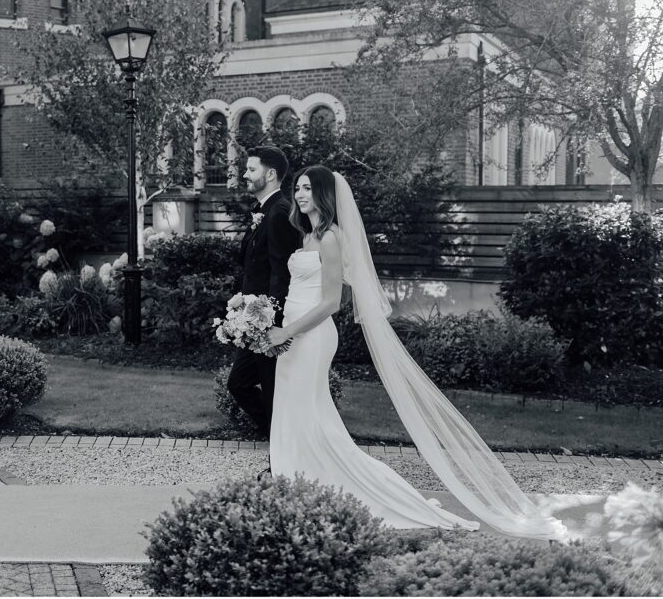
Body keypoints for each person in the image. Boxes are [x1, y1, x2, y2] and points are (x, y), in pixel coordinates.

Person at [266, 165, 565, 540]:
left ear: (324, 194)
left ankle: (343, 485)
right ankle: (299, 481)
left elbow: (329, 303)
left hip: (309, 337)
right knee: (294, 412)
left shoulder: (330, 238)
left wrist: (287, 330)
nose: (300, 194)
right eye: (298, 188)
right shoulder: (308, 237)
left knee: (311, 414)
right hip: (291, 336)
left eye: (308, 188)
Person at [227, 146, 303, 440]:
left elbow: (281, 272)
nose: (245, 174)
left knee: (272, 387)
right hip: (253, 318)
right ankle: (277, 433)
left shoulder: (279, 212)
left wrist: (274, 323)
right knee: (239, 383)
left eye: (251, 169)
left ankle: (282, 445)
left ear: (270, 175)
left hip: (267, 321)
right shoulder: (264, 211)